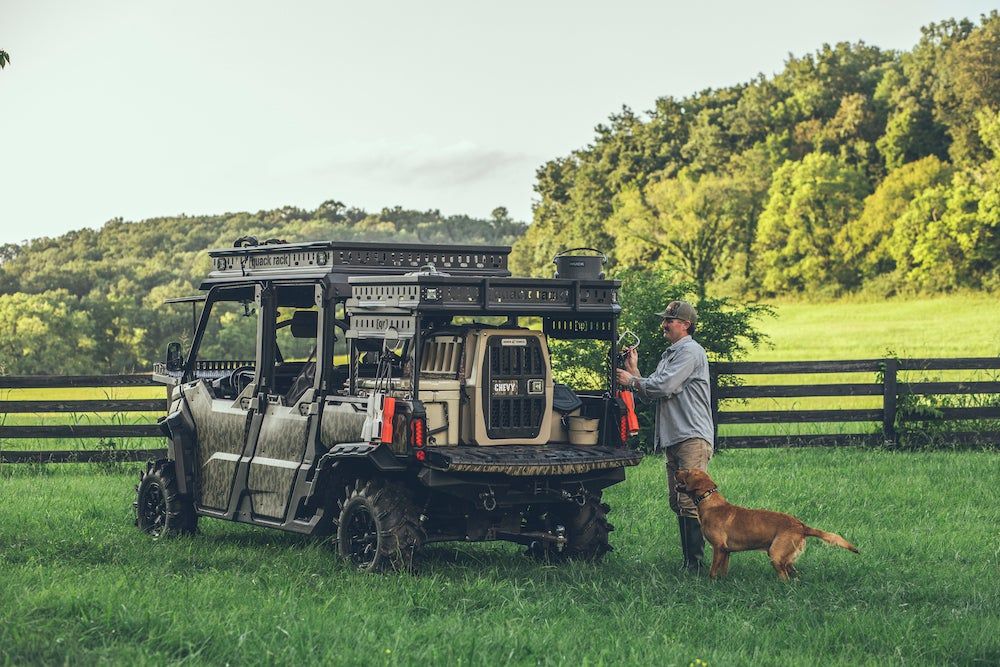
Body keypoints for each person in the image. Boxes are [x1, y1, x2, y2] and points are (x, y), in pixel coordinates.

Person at [615, 300, 714, 572]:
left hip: (691, 435)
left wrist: (631, 380)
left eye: (670, 320)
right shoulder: (671, 354)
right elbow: (655, 393)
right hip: (675, 437)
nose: (664, 324)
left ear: (686, 325)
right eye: (665, 319)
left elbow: (664, 385)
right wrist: (634, 370)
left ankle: (695, 565)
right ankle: (693, 561)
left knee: (688, 501)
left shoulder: (690, 352)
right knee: (678, 501)